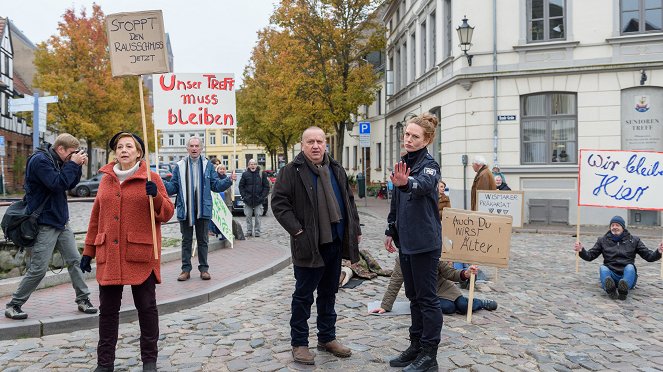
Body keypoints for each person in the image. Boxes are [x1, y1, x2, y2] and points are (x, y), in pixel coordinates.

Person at [80, 132, 174, 372]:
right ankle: (104, 364)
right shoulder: (106, 180)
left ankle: (149, 361)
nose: (123, 150)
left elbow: (166, 214)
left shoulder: (150, 177)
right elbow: (96, 218)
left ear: (138, 152)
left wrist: (155, 196)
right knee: (108, 312)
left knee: (147, 309)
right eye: (120, 147)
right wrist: (88, 251)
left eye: (129, 146)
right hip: (109, 257)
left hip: (140, 255)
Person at [271, 126, 362, 366]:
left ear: (325, 144)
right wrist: (298, 231)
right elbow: (279, 203)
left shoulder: (335, 169)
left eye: (319, 141)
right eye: (310, 141)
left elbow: (348, 202)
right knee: (303, 296)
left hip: (334, 242)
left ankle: (327, 338)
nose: (315, 146)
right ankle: (299, 343)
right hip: (308, 244)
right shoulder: (291, 171)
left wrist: (355, 229)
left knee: (328, 293)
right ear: (302, 145)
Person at [5, 134, 98, 320]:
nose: (73, 156)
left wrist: (77, 166)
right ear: (61, 149)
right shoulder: (40, 161)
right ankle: (14, 304)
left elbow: (69, 184)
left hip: (61, 221)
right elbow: (57, 184)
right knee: (39, 269)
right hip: (45, 223)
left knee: (75, 261)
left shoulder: (58, 160)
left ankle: (83, 299)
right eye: (71, 153)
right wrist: (73, 164)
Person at [384, 112, 442, 372]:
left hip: (424, 242)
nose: (408, 139)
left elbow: (424, 185)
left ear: (426, 139)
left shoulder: (429, 165)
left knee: (428, 299)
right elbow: (396, 202)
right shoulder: (403, 163)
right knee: (413, 297)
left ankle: (429, 354)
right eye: (406, 134)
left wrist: (407, 183)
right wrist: (390, 228)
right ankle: (416, 345)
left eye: (414, 136)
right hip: (406, 241)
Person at [164, 137, 235, 281]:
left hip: (203, 209)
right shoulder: (179, 166)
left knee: (203, 240)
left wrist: (228, 180)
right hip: (186, 209)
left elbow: (215, 186)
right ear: (187, 149)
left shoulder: (207, 165)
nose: (194, 148)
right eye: (192, 146)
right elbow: (173, 188)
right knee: (186, 241)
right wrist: (160, 182)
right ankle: (185, 270)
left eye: (197, 146)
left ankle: (204, 269)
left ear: (201, 149)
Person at [574, 216, 663, 301]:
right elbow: (590, 256)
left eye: (617, 225)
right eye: (612, 225)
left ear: (623, 227)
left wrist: (658, 251)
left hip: (627, 273)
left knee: (630, 267)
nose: (614, 227)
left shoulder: (634, 240)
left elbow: (649, 256)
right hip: (611, 272)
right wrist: (581, 250)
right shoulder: (602, 240)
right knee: (603, 268)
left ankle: (623, 289)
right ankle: (610, 289)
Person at [369, 259, 497, 315]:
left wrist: (466, 273)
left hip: (444, 288)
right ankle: (459, 304)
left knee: (463, 306)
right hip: (424, 294)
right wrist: (385, 306)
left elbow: (450, 273)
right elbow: (395, 282)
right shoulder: (403, 259)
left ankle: (480, 302)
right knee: (449, 307)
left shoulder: (433, 253)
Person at [239, 158, 270, 237]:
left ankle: (257, 232)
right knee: (248, 216)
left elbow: (266, 187)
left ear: (256, 165)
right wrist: (244, 196)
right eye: (251, 164)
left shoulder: (262, 174)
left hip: (258, 199)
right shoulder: (245, 174)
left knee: (258, 216)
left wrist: (262, 196)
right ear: (248, 166)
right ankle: (249, 231)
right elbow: (241, 186)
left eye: (254, 164)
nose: (253, 165)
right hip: (248, 199)